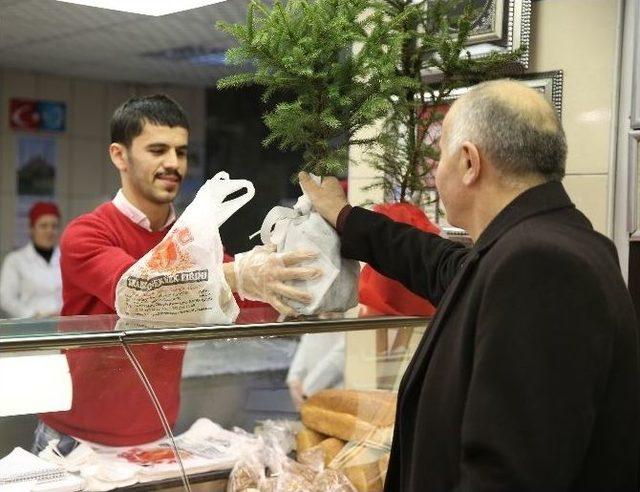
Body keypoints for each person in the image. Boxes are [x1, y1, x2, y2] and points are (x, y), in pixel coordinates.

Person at [300, 80, 640, 490]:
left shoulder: (539, 264)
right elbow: (438, 263)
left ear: (468, 162)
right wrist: (344, 216)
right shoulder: (541, 242)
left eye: (439, 154)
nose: (436, 169)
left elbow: (508, 473)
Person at [35, 94, 320, 451]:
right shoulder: (87, 232)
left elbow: (247, 309)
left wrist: (294, 284)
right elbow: (141, 293)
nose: (173, 163)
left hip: (156, 435)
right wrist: (237, 274)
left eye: (181, 152)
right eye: (157, 150)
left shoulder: (194, 241)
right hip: (75, 440)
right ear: (119, 155)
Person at [0, 202, 62, 319]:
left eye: (54, 226)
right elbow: (5, 298)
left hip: (63, 326)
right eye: (43, 226)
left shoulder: (66, 258)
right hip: (29, 327)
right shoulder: (15, 260)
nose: (49, 231)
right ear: (31, 229)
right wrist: (34, 315)